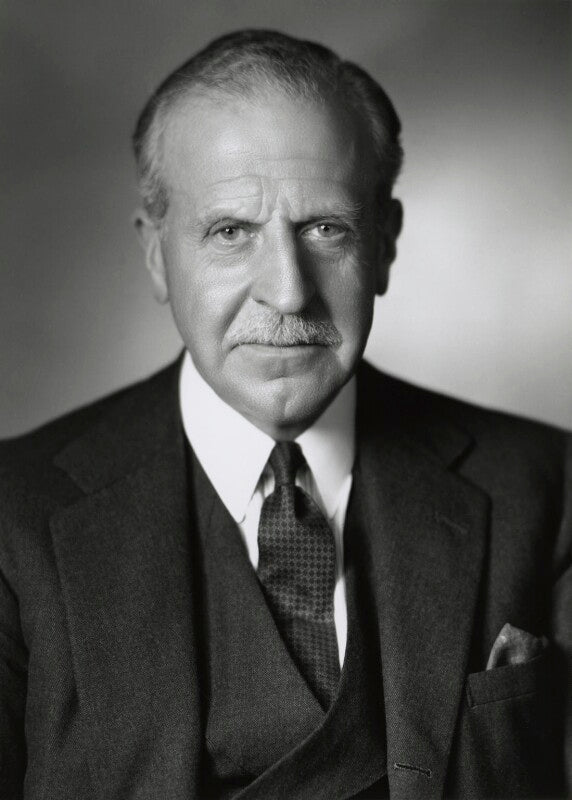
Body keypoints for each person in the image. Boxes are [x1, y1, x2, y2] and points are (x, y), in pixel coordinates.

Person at [0, 28, 570, 800]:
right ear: (155, 255)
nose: (288, 291)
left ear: (385, 245)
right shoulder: (14, 515)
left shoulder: (550, 490)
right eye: (231, 232)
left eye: (325, 229)